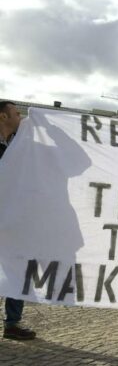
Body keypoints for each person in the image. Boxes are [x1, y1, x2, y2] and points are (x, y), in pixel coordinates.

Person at [0, 101, 35, 340]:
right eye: (16, 113)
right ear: (3, 117)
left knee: (19, 268)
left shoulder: (18, 144)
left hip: (14, 220)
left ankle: (12, 323)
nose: (20, 116)